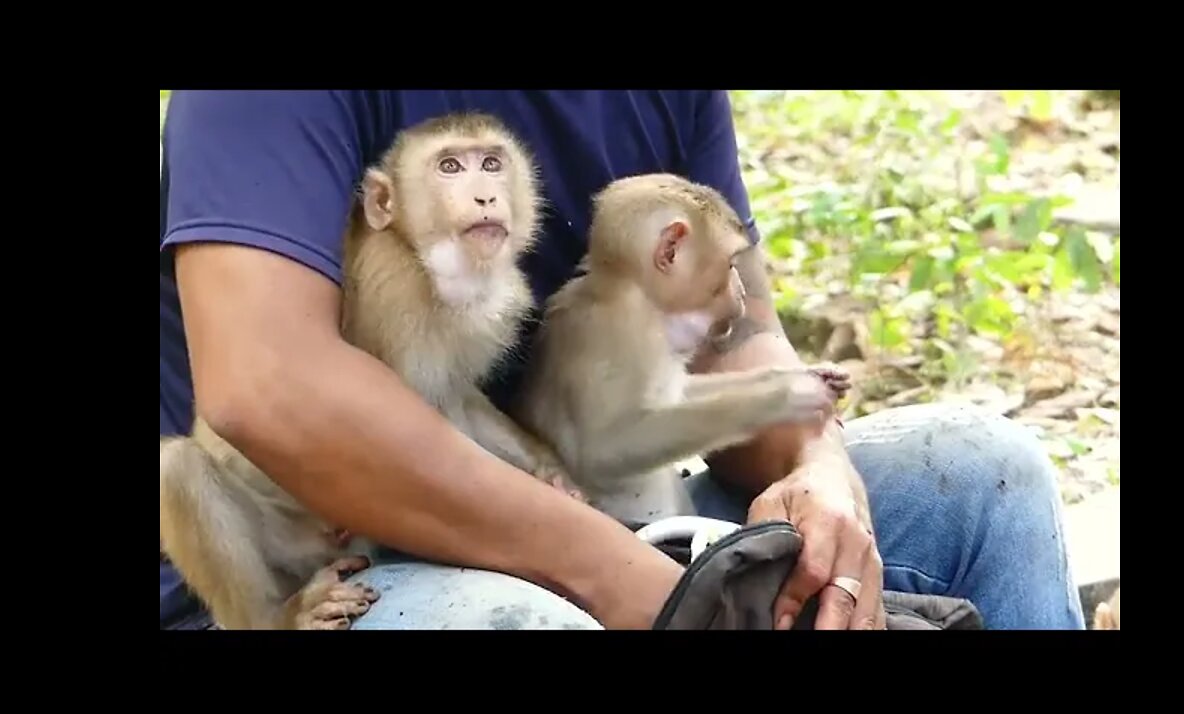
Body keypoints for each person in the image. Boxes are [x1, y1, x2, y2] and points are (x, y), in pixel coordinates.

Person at [158, 90, 1086, 631]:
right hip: (305, 577)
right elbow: (268, 387)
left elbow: (733, 325)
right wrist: (619, 579)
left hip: (576, 513)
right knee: (527, 624)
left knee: (977, 471)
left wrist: (816, 466)